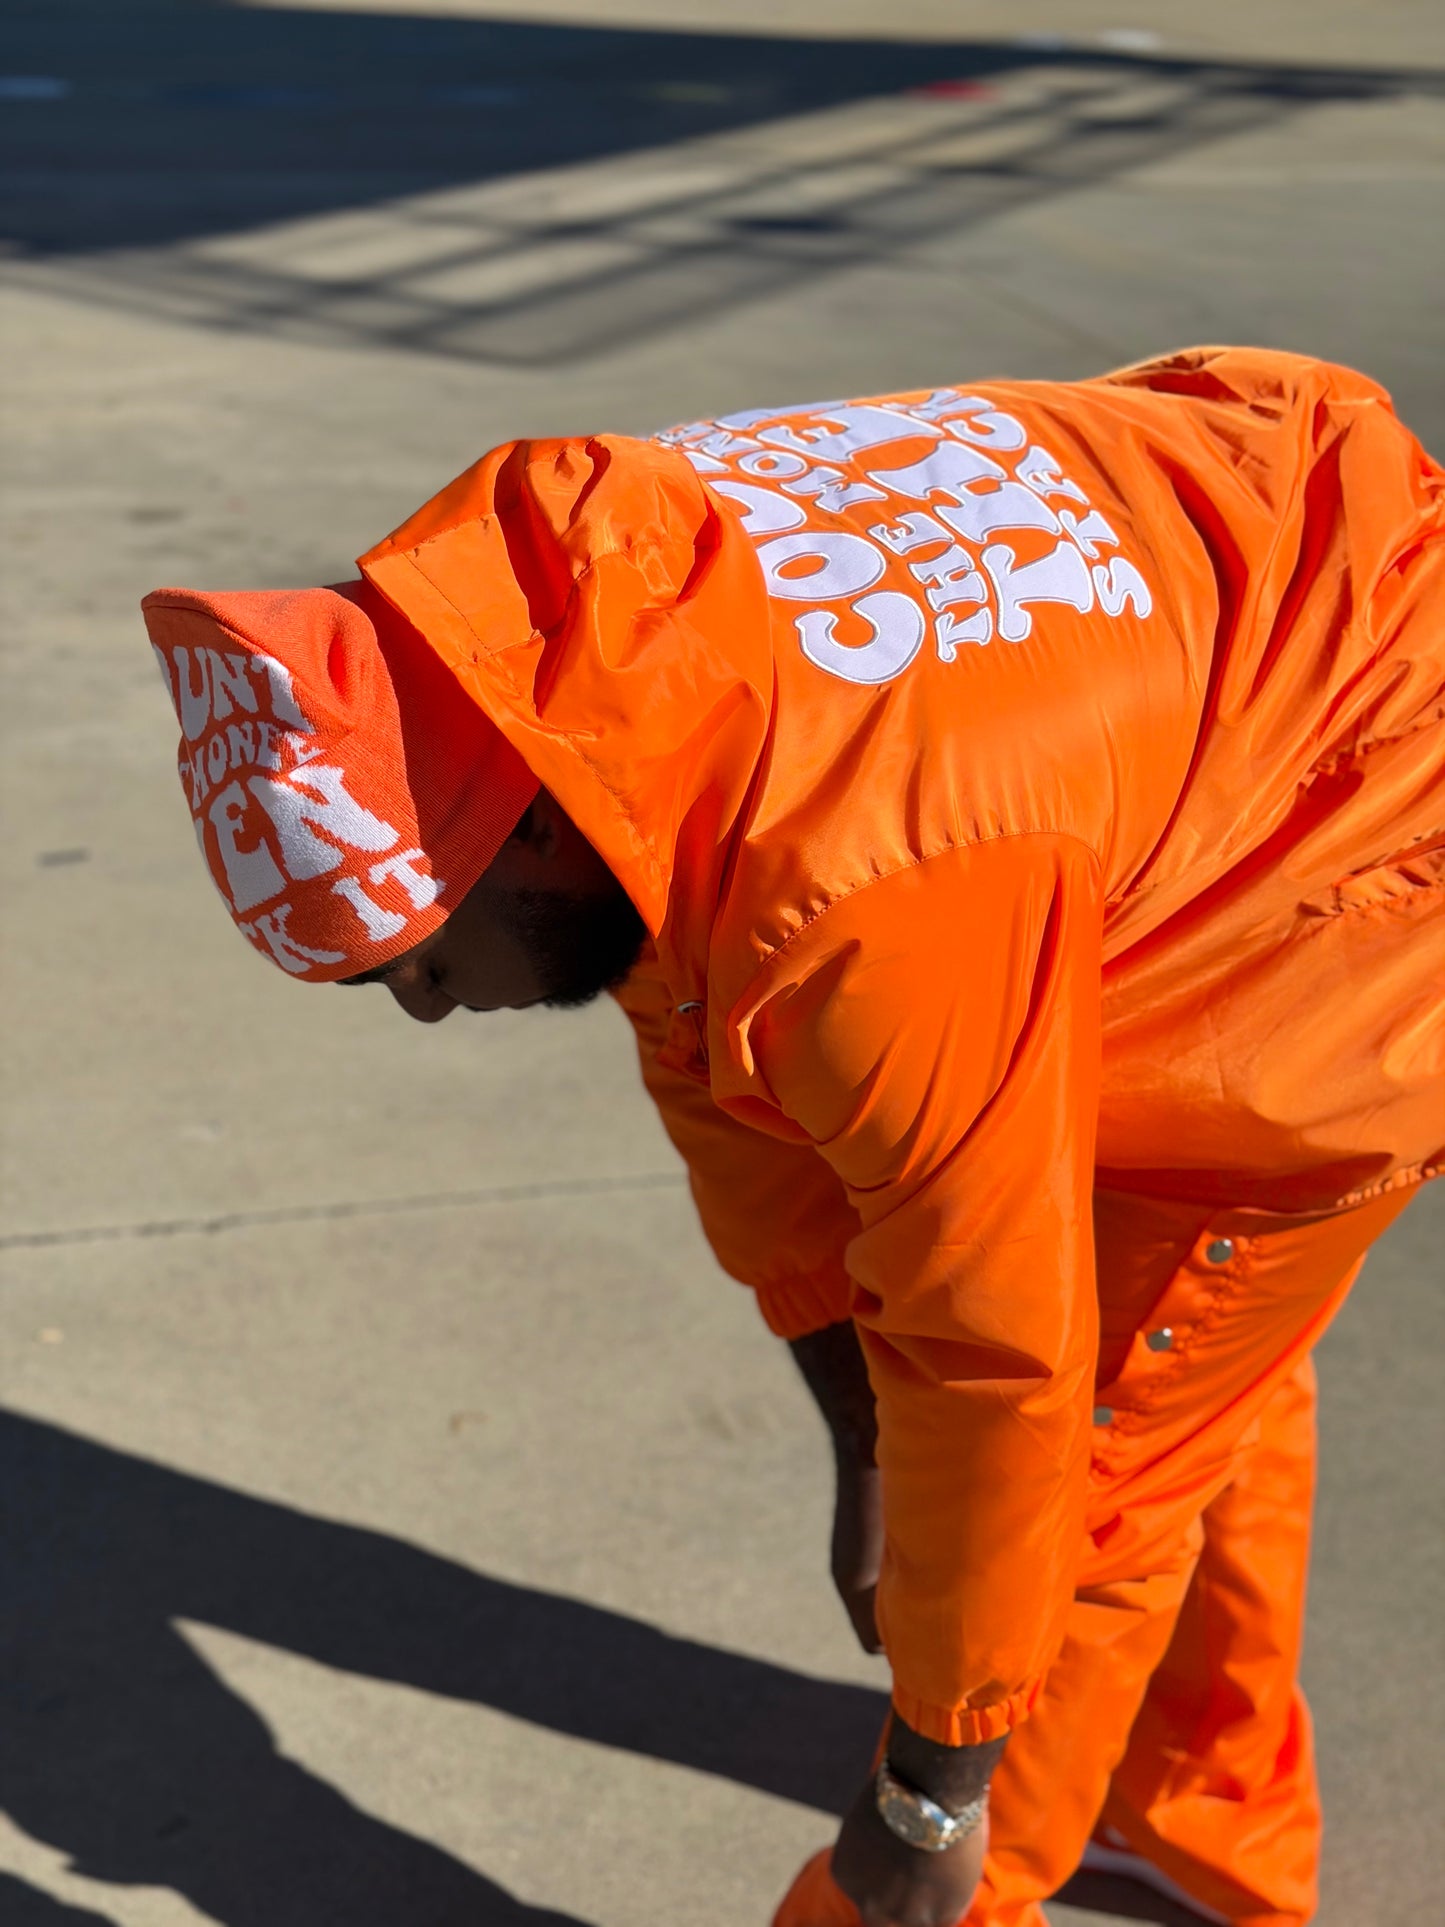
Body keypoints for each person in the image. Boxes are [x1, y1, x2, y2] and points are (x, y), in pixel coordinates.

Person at [142, 347, 1442, 1927]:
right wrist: (858, 1431)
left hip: (1370, 815)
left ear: (529, 827)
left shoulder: (859, 887)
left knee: (1104, 1443)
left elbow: (991, 1361)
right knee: (1184, 1367)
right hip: (1237, 642)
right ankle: (1203, 1805)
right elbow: (698, 1039)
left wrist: (927, 1792)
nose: (421, 1010)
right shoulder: (585, 661)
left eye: (412, 963)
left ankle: (968, 1879)